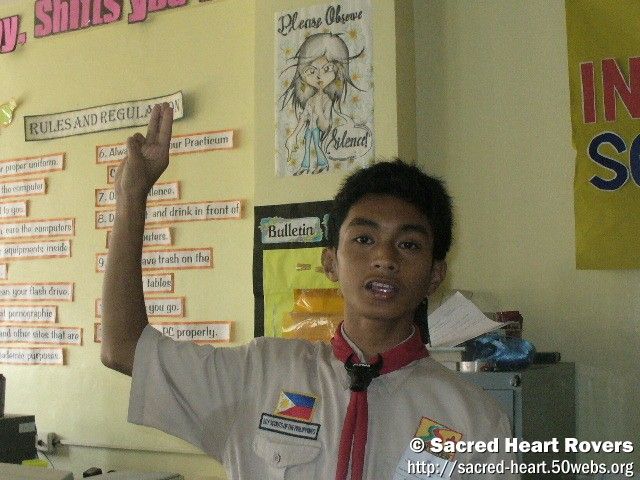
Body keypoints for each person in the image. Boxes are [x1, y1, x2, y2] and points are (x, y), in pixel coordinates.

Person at [102, 103, 518, 479]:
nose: (385, 258)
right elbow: (123, 348)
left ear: (434, 275)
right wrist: (131, 198)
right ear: (330, 262)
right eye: (364, 239)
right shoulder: (259, 374)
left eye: (409, 244)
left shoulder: (474, 419)